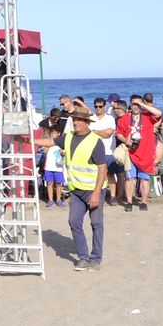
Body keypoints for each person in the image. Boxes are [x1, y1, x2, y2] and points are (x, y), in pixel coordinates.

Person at [37, 108, 107, 271]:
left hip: (93, 190)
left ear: (87, 122)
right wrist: (27, 141)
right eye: (74, 119)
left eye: (79, 120)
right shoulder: (68, 137)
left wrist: (96, 194)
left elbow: (103, 169)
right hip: (76, 189)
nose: (75, 122)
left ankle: (96, 258)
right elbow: (50, 142)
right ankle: (83, 257)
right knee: (74, 221)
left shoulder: (95, 141)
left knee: (96, 223)